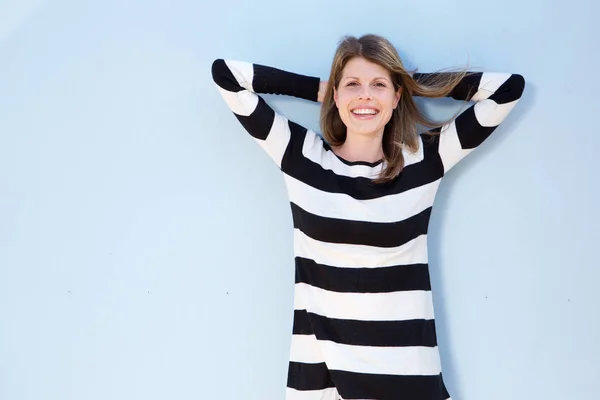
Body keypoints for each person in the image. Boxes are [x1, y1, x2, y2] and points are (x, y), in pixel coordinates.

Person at [211, 34, 525, 400]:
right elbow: (227, 76)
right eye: (352, 85)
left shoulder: (423, 161)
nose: (364, 95)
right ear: (336, 96)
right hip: (323, 381)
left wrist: (410, 86)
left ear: (395, 99)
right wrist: (323, 90)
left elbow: (507, 90)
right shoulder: (302, 158)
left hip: (408, 380)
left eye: (378, 85)